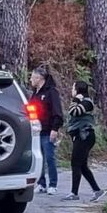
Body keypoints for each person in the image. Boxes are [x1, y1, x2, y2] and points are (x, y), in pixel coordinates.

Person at [63, 80, 103, 202]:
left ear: (78, 90)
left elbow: (73, 111)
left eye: (73, 88)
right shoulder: (83, 101)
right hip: (81, 136)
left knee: (75, 163)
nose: (72, 90)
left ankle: (74, 193)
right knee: (82, 165)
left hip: (85, 136)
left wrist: (76, 99)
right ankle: (97, 190)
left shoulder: (87, 102)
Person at [29, 66, 63, 195]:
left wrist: (55, 128)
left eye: (32, 76)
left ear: (39, 78)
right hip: (36, 131)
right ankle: (41, 183)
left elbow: (57, 111)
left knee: (49, 157)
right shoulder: (35, 93)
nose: (30, 79)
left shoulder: (51, 92)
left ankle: (53, 184)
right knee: (39, 158)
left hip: (48, 130)